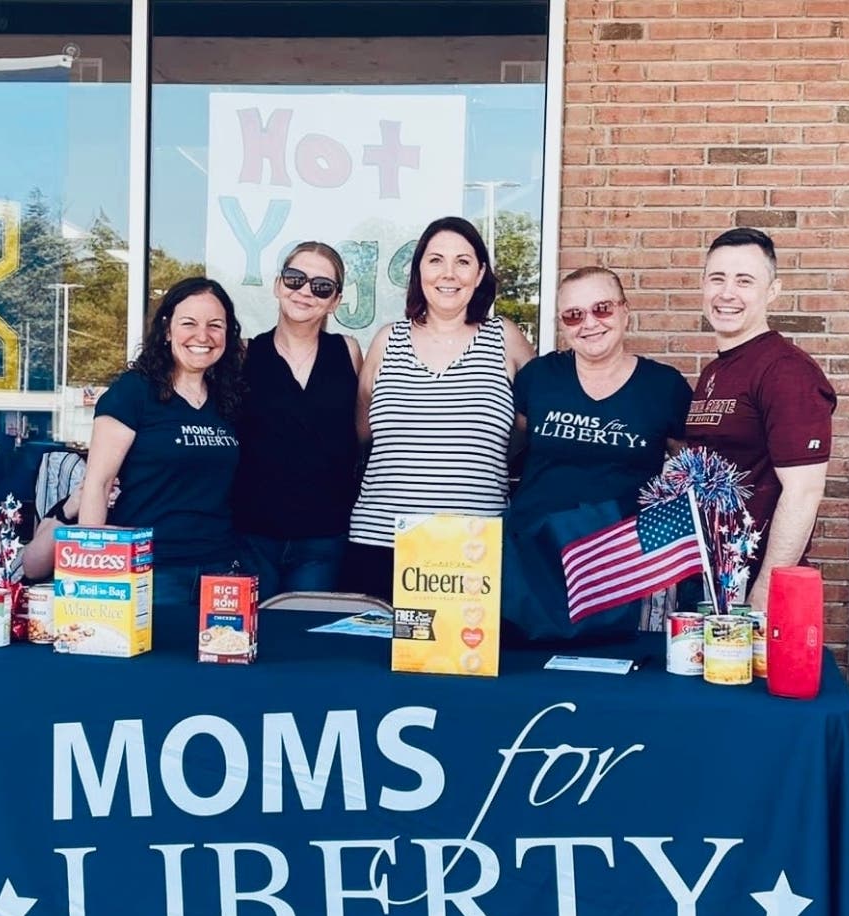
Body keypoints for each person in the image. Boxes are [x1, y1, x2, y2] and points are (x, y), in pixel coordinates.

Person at [342, 215, 536, 600]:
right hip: (380, 543)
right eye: (435, 260)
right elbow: (363, 437)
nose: (449, 273)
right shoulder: (386, 341)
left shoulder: (506, 339)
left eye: (463, 261)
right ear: (418, 270)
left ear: (480, 274)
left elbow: (527, 430)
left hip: (472, 549)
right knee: (368, 659)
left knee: (464, 658)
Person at [501, 265, 693, 642]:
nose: (589, 323)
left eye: (601, 308)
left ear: (625, 311)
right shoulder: (538, 377)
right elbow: (514, 443)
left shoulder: (664, 386)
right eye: (573, 315)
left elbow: (689, 471)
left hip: (619, 569)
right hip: (533, 563)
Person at [679, 227, 837, 615]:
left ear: (772, 291)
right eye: (717, 278)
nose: (727, 293)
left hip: (754, 592)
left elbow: (803, 493)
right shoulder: (717, 371)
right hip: (712, 582)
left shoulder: (786, 371)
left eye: (744, 281)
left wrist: (764, 594)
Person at [73, 276, 247, 607]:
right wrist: (91, 574)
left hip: (221, 569)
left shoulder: (229, 399)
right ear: (167, 330)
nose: (203, 336)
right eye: (189, 323)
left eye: (215, 325)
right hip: (150, 569)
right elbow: (98, 482)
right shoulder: (134, 392)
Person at [231, 241, 363, 595]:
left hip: (324, 536)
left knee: (307, 642)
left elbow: (362, 434)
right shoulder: (244, 354)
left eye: (321, 286)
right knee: (251, 641)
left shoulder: (348, 352)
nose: (305, 291)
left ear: (335, 301)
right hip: (252, 534)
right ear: (278, 285)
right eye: (295, 279)